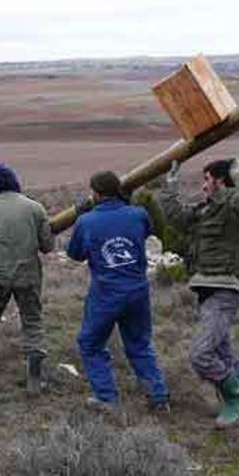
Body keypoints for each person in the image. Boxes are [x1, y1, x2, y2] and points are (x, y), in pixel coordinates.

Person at [159, 157, 239, 428]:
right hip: (207, 290)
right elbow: (176, 216)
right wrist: (171, 184)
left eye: (207, 180)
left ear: (220, 181)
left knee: (201, 354)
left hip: (225, 289)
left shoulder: (238, 208)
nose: (203, 187)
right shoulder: (206, 209)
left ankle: (233, 401)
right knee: (224, 354)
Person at [67, 171, 170, 413]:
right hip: (137, 290)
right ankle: (158, 397)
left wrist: (83, 217)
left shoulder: (87, 221)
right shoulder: (138, 214)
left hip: (106, 294)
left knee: (90, 343)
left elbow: (75, 254)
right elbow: (144, 232)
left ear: (96, 193)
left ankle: (107, 398)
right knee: (139, 344)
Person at [0, 163, 55, 393]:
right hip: (27, 275)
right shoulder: (35, 208)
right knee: (32, 320)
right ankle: (34, 379)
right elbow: (47, 246)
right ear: (15, 182)